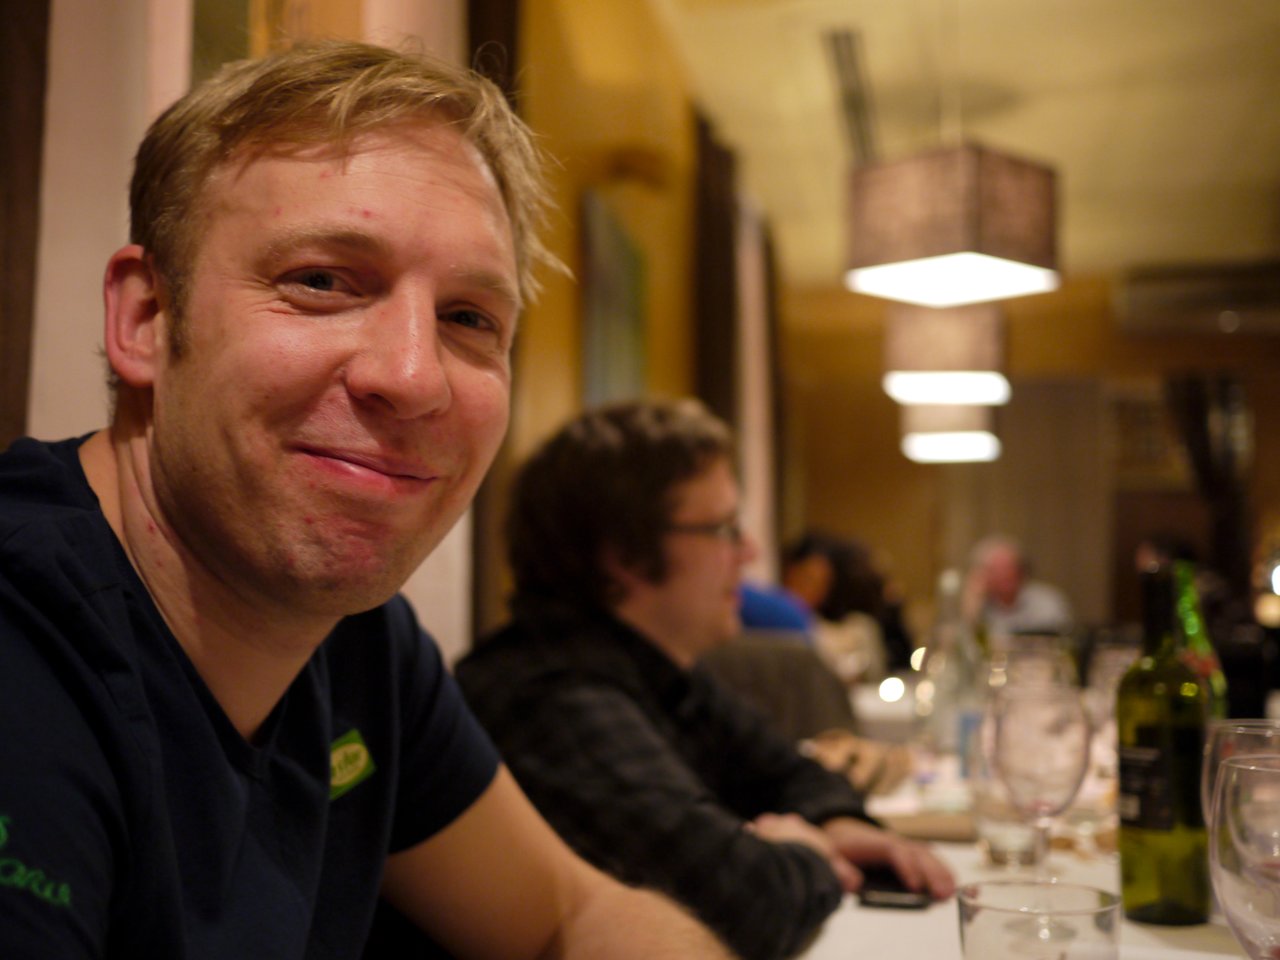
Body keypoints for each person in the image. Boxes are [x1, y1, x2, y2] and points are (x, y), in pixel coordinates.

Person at [0, 41, 734, 959]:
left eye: (468, 318)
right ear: (146, 319)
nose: (414, 376)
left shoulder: (355, 645)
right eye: (321, 282)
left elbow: (572, 917)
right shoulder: (26, 647)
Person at [455, 399, 954, 960]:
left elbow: (790, 771)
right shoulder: (548, 697)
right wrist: (807, 854)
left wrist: (833, 821)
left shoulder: (658, 669)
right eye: (724, 528)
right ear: (625, 555)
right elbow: (742, 908)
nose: (749, 552)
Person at [779, 532, 916, 679]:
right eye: (806, 579)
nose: (814, 589)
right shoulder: (784, 617)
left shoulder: (856, 625)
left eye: (822, 582)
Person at [962, 534, 1074, 640]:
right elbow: (967, 644)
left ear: (1022, 570)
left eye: (1009, 568)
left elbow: (1064, 640)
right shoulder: (981, 605)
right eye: (995, 570)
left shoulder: (1047, 601)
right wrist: (972, 602)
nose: (1004, 574)